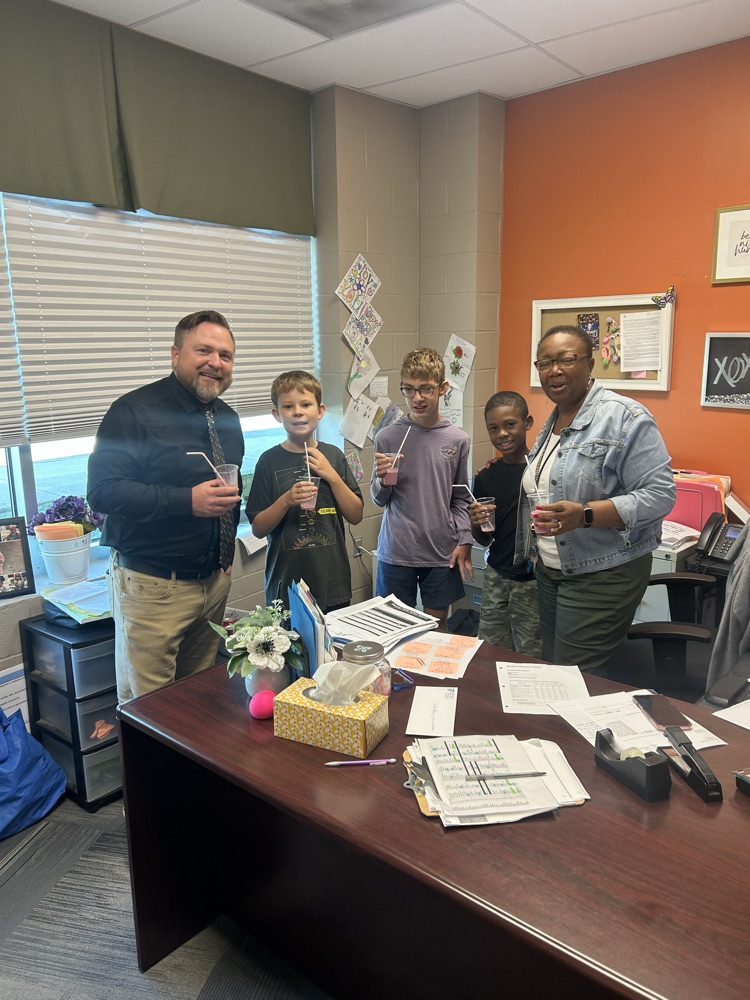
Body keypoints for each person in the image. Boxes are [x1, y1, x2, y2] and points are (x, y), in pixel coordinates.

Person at [87, 310, 244, 703]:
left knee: (197, 703)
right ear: (176, 354)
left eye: (225, 355)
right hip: (154, 587)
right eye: (204, 350)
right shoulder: (134, 411)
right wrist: (186, 501)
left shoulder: (228, 418)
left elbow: (231, 492)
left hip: (212, 585)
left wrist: (225, 557)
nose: (215, 362)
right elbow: (103, 492)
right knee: (152, 711)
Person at [519, 324, 676, 670]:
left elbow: (660, 495)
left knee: (574, 676)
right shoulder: (554, 421)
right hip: (552, 570)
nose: (554, 370)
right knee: (555, 670)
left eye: (566, 359)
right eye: (544, 363)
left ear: (590, 365)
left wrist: (585, 514)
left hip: (603, 572)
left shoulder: (624, 417)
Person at [246, 370, 363, 612]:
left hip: (332, 582)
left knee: (332, 650)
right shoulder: (268, 462)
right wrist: (286, 500)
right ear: (277, 415)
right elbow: (258, 529)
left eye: (306, 404)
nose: (298, 411)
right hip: (286, 585)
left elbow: (356, 515)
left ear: (320, 411)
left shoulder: (333, 456)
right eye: (288, 406)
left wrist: (331, 475)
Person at [372, 347, 472, 625]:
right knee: (394, 628)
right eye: (409, 389)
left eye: (426, 389)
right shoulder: (388, 437)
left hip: (440, 551)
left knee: (436, 631)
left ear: (442, 388)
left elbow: (461, 497)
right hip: (397, 549)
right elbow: (379, 499)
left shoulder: (457, 439)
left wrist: (464, 538)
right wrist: (382, 480)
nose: (417, 398)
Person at [470, 391, 542, 656]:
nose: (502, 433)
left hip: (533, 582)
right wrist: (475, 522)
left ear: (528, 422)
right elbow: (485, 539)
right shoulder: (486, 477)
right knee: (490, 651)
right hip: (497, 576)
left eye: (510, 424)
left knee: (532, 653)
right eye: (493, 428)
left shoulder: (543, 472)